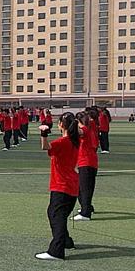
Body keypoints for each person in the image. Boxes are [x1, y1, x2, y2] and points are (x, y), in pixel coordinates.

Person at [35, 112, 80, 261]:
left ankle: (56, 251)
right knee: (59, 215)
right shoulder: (74, 141)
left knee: (56, 215)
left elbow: (45, 147)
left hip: (62, 185)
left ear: (61, 125)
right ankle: (66, 241)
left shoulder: (63, 142)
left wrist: (43, 133)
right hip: (71, 184)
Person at [74, 110, 99, 221]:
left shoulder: (84, 129)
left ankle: (86, 213)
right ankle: (87, 207)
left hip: (86, 162)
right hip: (90, 161)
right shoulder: (91, 125)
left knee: (84, 189)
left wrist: (71, 125)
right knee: (84, 187)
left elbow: (78, 132)